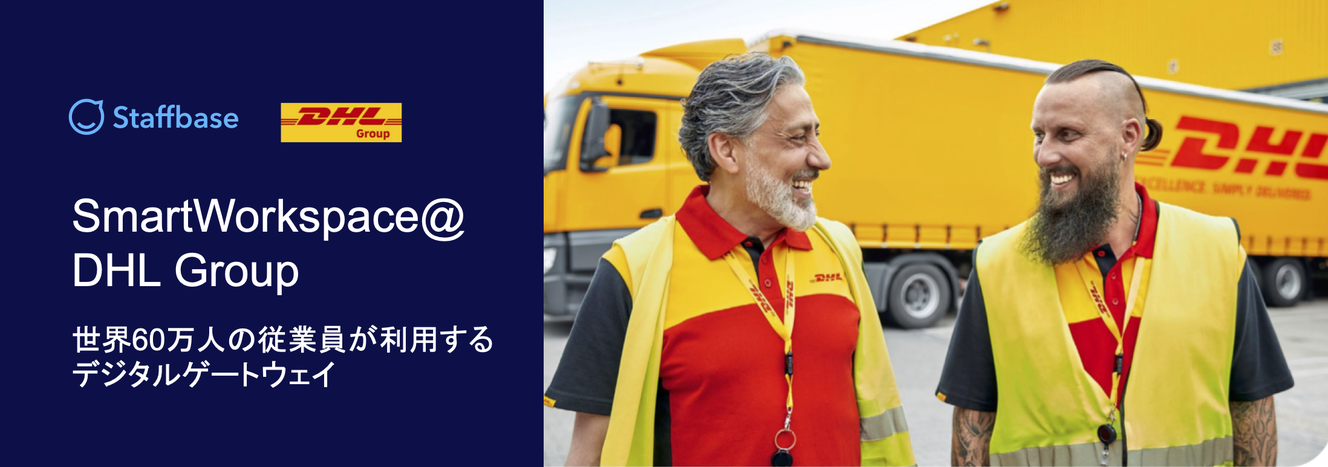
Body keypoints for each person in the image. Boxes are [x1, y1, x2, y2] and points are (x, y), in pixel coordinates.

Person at [544, 53, 916, 466]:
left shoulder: (839, 246)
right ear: (727, 150)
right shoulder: (632, 269)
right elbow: (588, 455)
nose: (821, 158)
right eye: (797, 138)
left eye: (817, 134)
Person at [936, 59, 1294, 467]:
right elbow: (973, 421)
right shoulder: (996, 262)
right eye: (1039, 135)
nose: (1045, 154)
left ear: (1129, 136)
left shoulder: (1216, 249)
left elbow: (1251, 404)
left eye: (1067, 134)